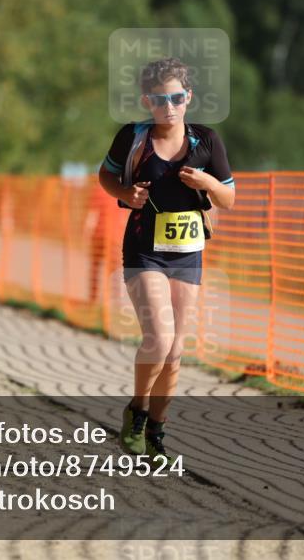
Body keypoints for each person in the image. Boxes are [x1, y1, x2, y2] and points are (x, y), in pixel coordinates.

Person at [98, 57, 235, 465]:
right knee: (158, 337)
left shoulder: (206, 141)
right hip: (144, 249)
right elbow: (105, 177)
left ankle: (158, 430)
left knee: (175, 350)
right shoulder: (133, 138)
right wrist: (125, 195)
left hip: (188, 253)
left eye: (176, 98)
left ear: (188, 97)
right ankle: (137, 411)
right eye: (159, 100)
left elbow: (228, 198)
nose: (168, 107)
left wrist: (207, 182)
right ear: (147, 101)